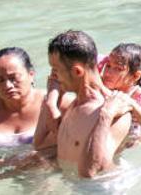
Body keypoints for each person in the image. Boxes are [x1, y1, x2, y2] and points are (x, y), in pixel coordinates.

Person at [31, 31, 131, 179]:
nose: (52, 77)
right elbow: (40, 145)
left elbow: (91, 172)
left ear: (77, 71)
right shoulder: (75, 105)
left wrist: (105, 117)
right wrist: (52, 101)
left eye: (56, 70)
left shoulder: (114, 111)